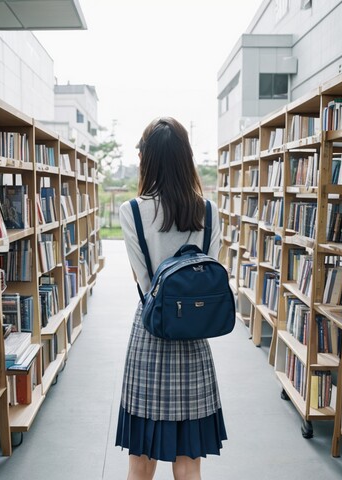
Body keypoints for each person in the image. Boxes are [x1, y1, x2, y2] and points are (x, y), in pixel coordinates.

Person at [116, 117, 227, 480]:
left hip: (150, 335)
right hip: (193, 340)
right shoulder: (208, 211)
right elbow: (208, 277)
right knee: (188, 464)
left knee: (140, 464)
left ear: (146, 159)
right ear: (187, 158)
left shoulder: (131, 211)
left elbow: (143, 280)